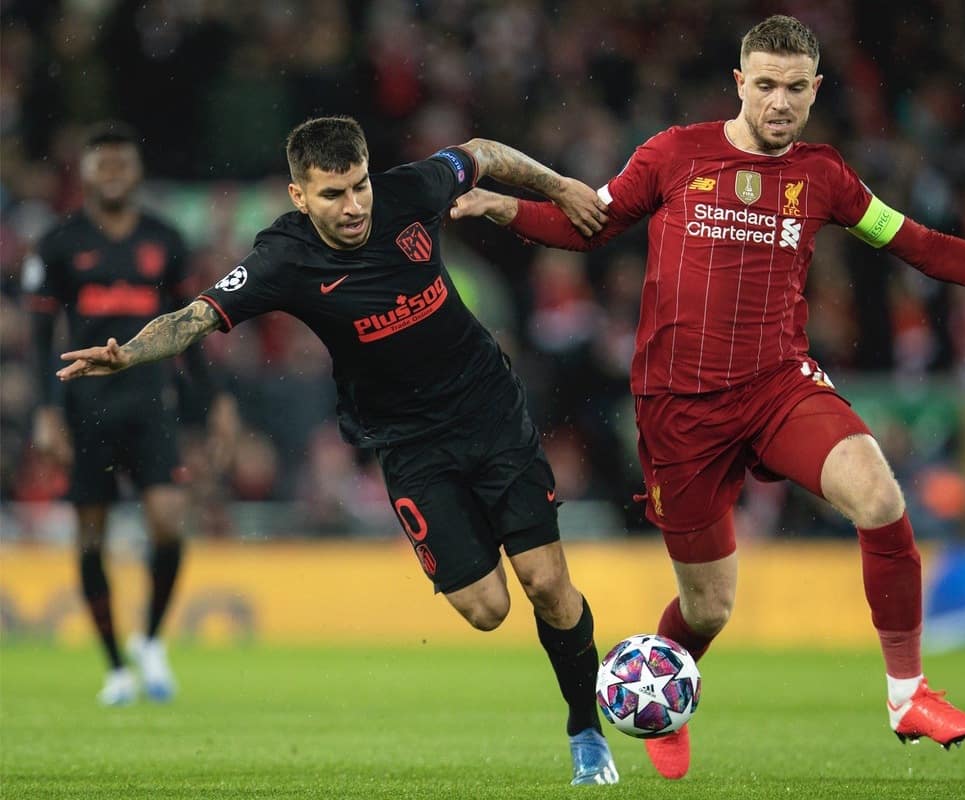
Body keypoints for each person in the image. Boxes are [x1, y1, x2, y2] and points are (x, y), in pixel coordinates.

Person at [449, 15, 965, 780]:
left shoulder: (826, 176)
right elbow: (589, 224)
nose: (778, 102)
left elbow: (921, 246)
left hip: (777, 386)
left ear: (816, 91)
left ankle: (907, 693)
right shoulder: (674, 155)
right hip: (679, 409)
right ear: (740, 83)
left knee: (877, 494)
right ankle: (667, 698)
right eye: (764, 85)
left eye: (794, 88)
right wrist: (504, 208)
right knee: (709, 608)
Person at [56, 116, 619, 786]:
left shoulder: (410, 190)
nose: (353, 207)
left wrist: (561, 187)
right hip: (407, 442)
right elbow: (195, 317)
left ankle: (587, 730)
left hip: (490, 412)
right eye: (332, 196)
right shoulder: (282, 257)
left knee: (548, 585)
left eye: (358, 188)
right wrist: (128, 354)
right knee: (487, 610)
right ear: (299, 197)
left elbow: (484, 153)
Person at [23, 121, 238, 706]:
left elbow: (191, 330)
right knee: (90, 540)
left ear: (137, 171)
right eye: (103, 164)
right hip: (84, 407)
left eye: (122, 163)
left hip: (150, 403)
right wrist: (45, 412)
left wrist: (216, 400)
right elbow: (42, 338)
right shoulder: (59, 243)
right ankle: (115, 667)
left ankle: (149, 640)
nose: (113, 173)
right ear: (86, 172)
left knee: (169, 523)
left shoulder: (165, 239)